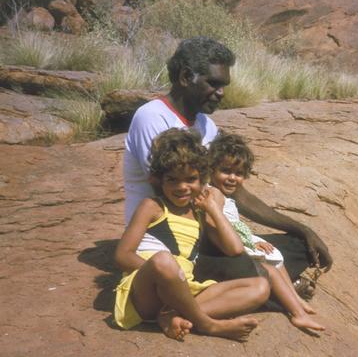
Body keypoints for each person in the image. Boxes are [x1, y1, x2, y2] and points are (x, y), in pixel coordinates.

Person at [123, 36, 332, 287]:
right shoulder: (152, 118)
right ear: (186, 77)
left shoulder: (205, 125)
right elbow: (173, 194)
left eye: (223, 85)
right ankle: (271, 286)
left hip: (211, 231)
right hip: (175, 240)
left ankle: (264, 280)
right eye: (213, 83)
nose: (221, 93)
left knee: (300, 247)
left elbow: (234, 191)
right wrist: (234, 239)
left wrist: (302, 229)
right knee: (250, 266)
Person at [114, 128, 267, 341]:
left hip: (184, 290)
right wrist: (170, 280)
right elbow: (123, 255)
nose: (182, 187)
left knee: (260, 286)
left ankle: (173, 315)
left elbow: (235, 249)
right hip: (148, 291)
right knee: (164, 262)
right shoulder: (153, 206)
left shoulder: (198, 211)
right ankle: (209, 325)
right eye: (173, 180)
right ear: (160, 180)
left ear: (203, 178)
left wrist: (212, 208)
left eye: (191, 179)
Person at [208, 132, 325, 331]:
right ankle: (296, 312)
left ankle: (294, 299)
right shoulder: (211, 194)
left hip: (238, 240)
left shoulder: (225, 196)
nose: (232, 178)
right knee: (268, 269)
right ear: (210, 170)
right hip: (223, 249)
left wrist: (252, 240)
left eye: (238, 174)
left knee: (276, 256)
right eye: (225, 171)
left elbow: (235, 225)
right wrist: (249, 243)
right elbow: (220, 230)